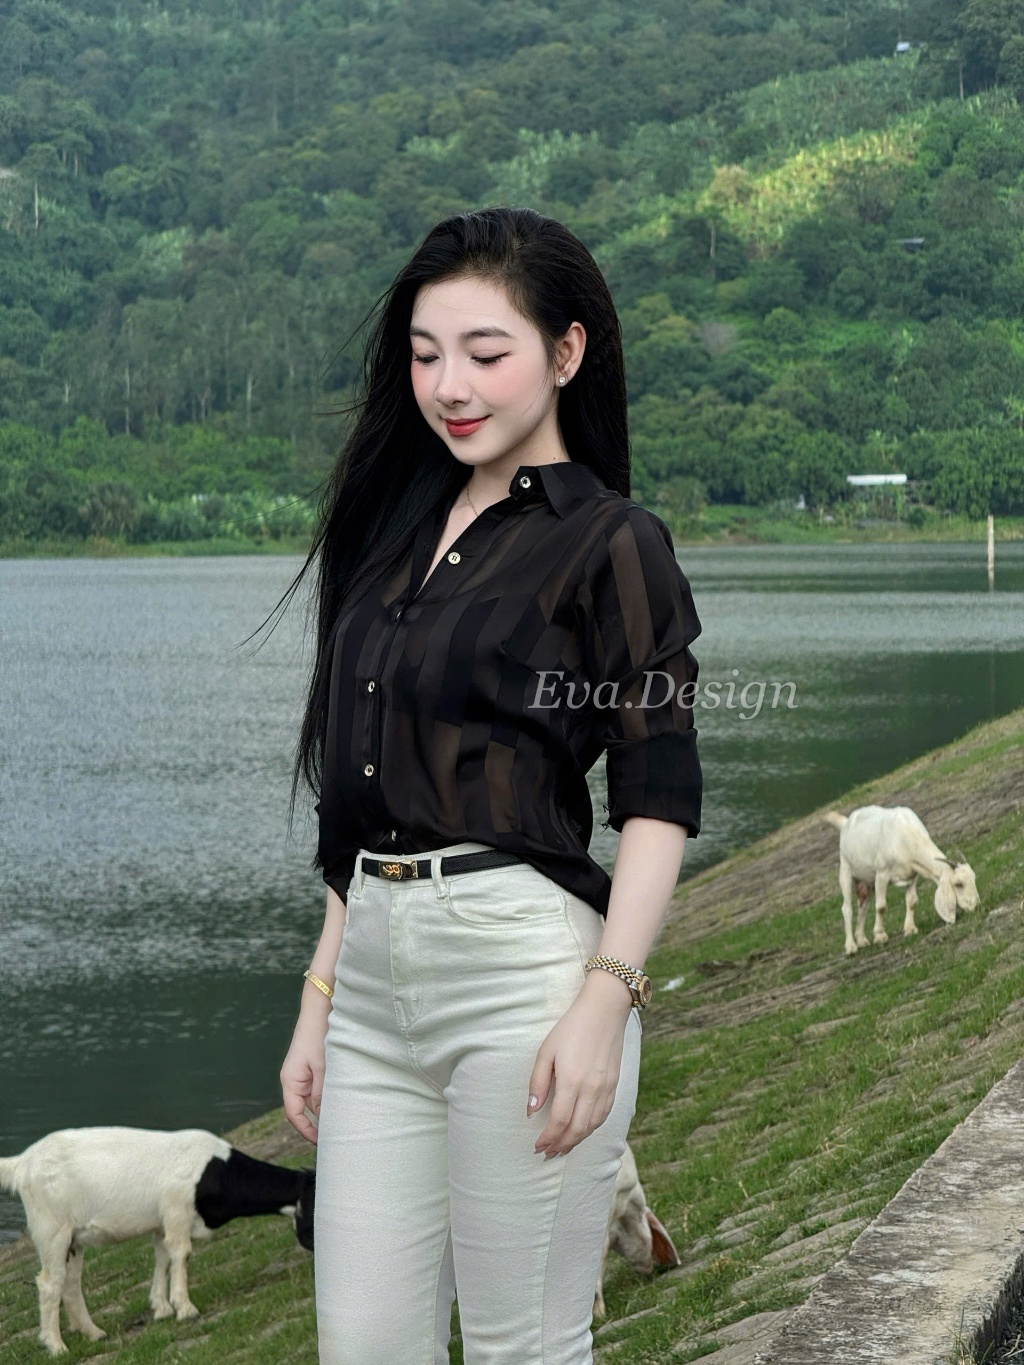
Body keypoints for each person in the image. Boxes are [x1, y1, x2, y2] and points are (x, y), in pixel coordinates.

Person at [278, 205, 703, 1365]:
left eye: (483, 352)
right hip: (373, 989)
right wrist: (320, 1002)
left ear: (565, 352)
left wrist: (606, 1002)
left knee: (525, 1345)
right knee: (363, 1346)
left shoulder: (611, 542)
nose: (448, 386)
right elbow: (363, 798)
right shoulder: (389, 540)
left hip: (522, 975)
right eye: (425, 356)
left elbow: (657, 793)